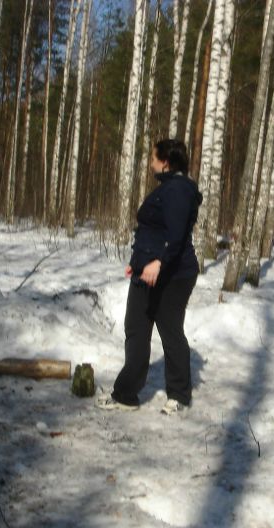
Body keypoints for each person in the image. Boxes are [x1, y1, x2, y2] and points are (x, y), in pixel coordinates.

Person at [98, 139, 202, 414]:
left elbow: (176, 235)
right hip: (148, 272)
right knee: (136, 328)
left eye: (153, 157)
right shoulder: (167, 188)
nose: (149, 161)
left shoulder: (178, 189)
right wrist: (139, 261)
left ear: (165, 161)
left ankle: (178, 395)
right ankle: (125, 395)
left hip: (174, 274)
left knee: (169, 330)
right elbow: (153, 231)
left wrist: (158, 262)